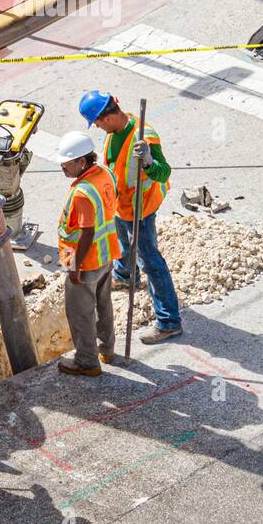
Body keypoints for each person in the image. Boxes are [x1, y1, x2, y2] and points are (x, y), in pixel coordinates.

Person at [79, 90, 182, 343]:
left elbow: (163, 173)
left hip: (141, 210)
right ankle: (125, 276)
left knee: (151, 263)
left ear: (108, 117)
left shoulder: (145, 137)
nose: (99, 128)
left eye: (98, 123)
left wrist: (148, 161)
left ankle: (169, 321)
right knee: (122, 241)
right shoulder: (116, 132)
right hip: (121, 204)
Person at [53, 131, 123, 376]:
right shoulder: (105, 173)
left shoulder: (82, 193)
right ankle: (107, 349)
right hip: (107, 255)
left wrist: (74, 267)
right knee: (104, 304)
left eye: (67, 162)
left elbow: (86, 232)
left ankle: (87, 361)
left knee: (81, 313)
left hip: (87, 262)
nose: (62, 166)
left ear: (82, 162)